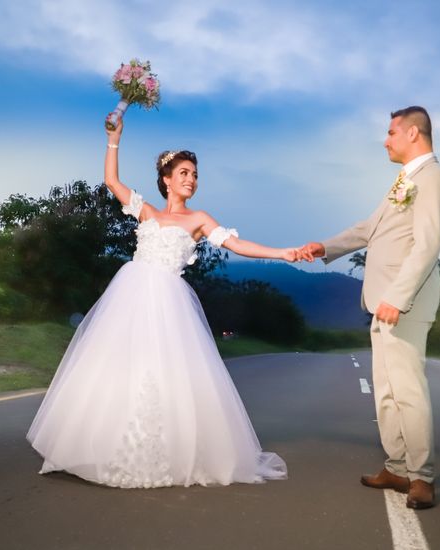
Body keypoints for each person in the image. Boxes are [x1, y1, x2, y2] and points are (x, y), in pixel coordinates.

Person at [26, 118, 295, 488]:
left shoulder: (199, 220)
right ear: (167, 179)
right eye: (184, 172)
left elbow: (237, 245)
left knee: (163, 374)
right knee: (119, 369)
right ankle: (103, 445)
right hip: (132, 295)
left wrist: (284, 253)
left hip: (169, 302)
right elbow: (112, 182)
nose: (191, 179)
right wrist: (114, 140)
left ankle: (158, 450)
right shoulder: (149, 212)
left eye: (195, 174)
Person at [300, 106, 440, 509]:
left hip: (403, 302)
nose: (385, 141)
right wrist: (327, 246)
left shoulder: (434, 179)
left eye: (390, 133)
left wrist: (398, 298)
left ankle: (422, 477)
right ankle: (398, 467)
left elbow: (427, 247)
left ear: (414, 134)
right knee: (385, 392)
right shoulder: (404, 179)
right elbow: (371, 229)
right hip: (383, 301)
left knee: (408, 391)